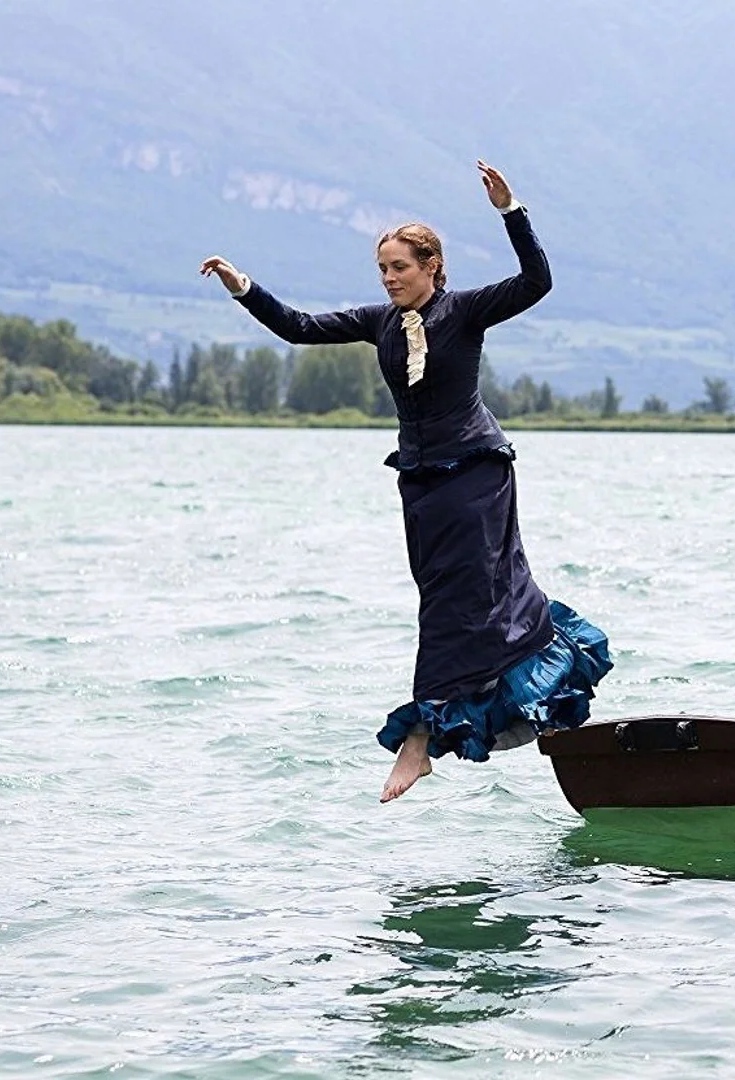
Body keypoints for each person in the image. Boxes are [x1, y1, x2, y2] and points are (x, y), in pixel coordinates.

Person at [199, 160, 611, 802]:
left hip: (476, 471)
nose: (390, 279)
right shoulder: (379, 322)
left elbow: (537, 281)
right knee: (446, 600)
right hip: (421, 481)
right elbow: (298, 328)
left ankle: (421, 738)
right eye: (383, 270)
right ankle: (521, 706)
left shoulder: (468, 311)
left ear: (432, 268)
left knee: (471, 598)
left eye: (400, 268)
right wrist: (241, 284)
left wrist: (512, 213)